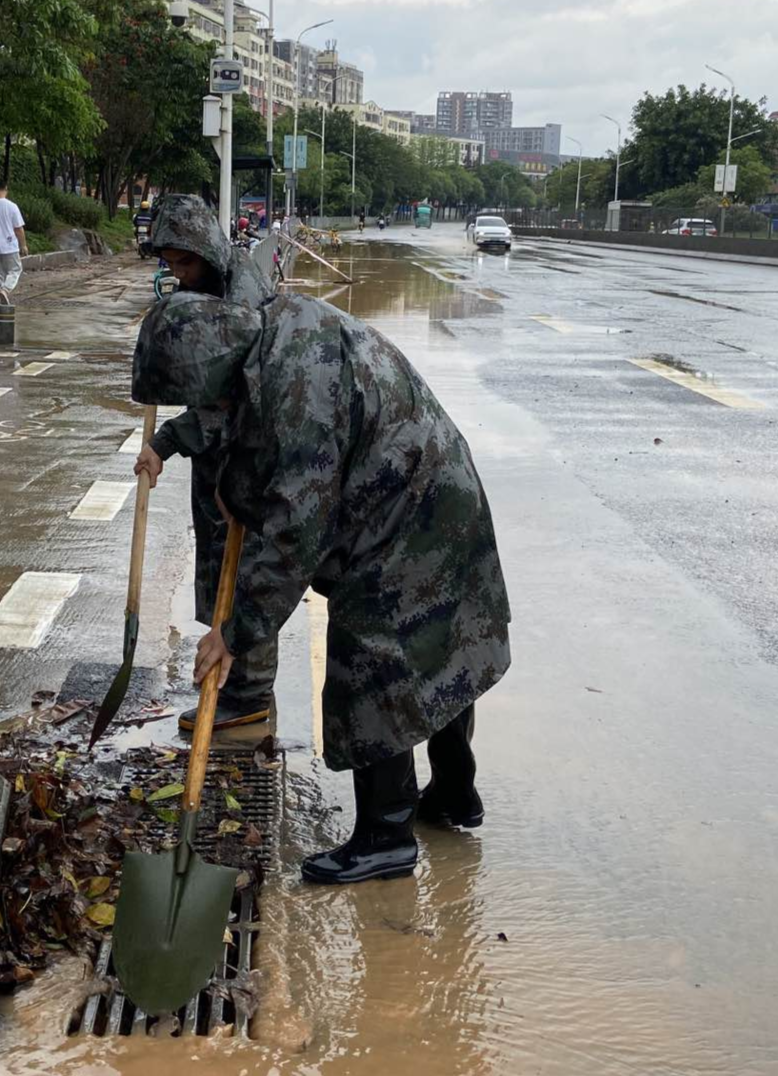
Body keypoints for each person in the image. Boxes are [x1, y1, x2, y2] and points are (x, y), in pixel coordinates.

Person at [132, 291, 511, 886]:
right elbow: (228, 407)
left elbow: (292, 532)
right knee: (440, 651)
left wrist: (236, 633)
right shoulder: (266, 331)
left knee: (375, 663)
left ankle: (386, 838)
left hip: (404, 514)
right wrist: (193, 451)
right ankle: (455, 796)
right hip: (435, 488)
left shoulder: (301, 386)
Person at [132, 194, 277, 735]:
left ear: (209, 253)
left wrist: (168, 441)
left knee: (243, 571)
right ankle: (227, 667)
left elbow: (227, 407)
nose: (179, 274)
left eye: (186, 263)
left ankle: (246, 691)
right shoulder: (203, 284)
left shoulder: (243, 303)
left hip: (245, 444)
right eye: (170, 264)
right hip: (218, 451)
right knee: (218, 562)